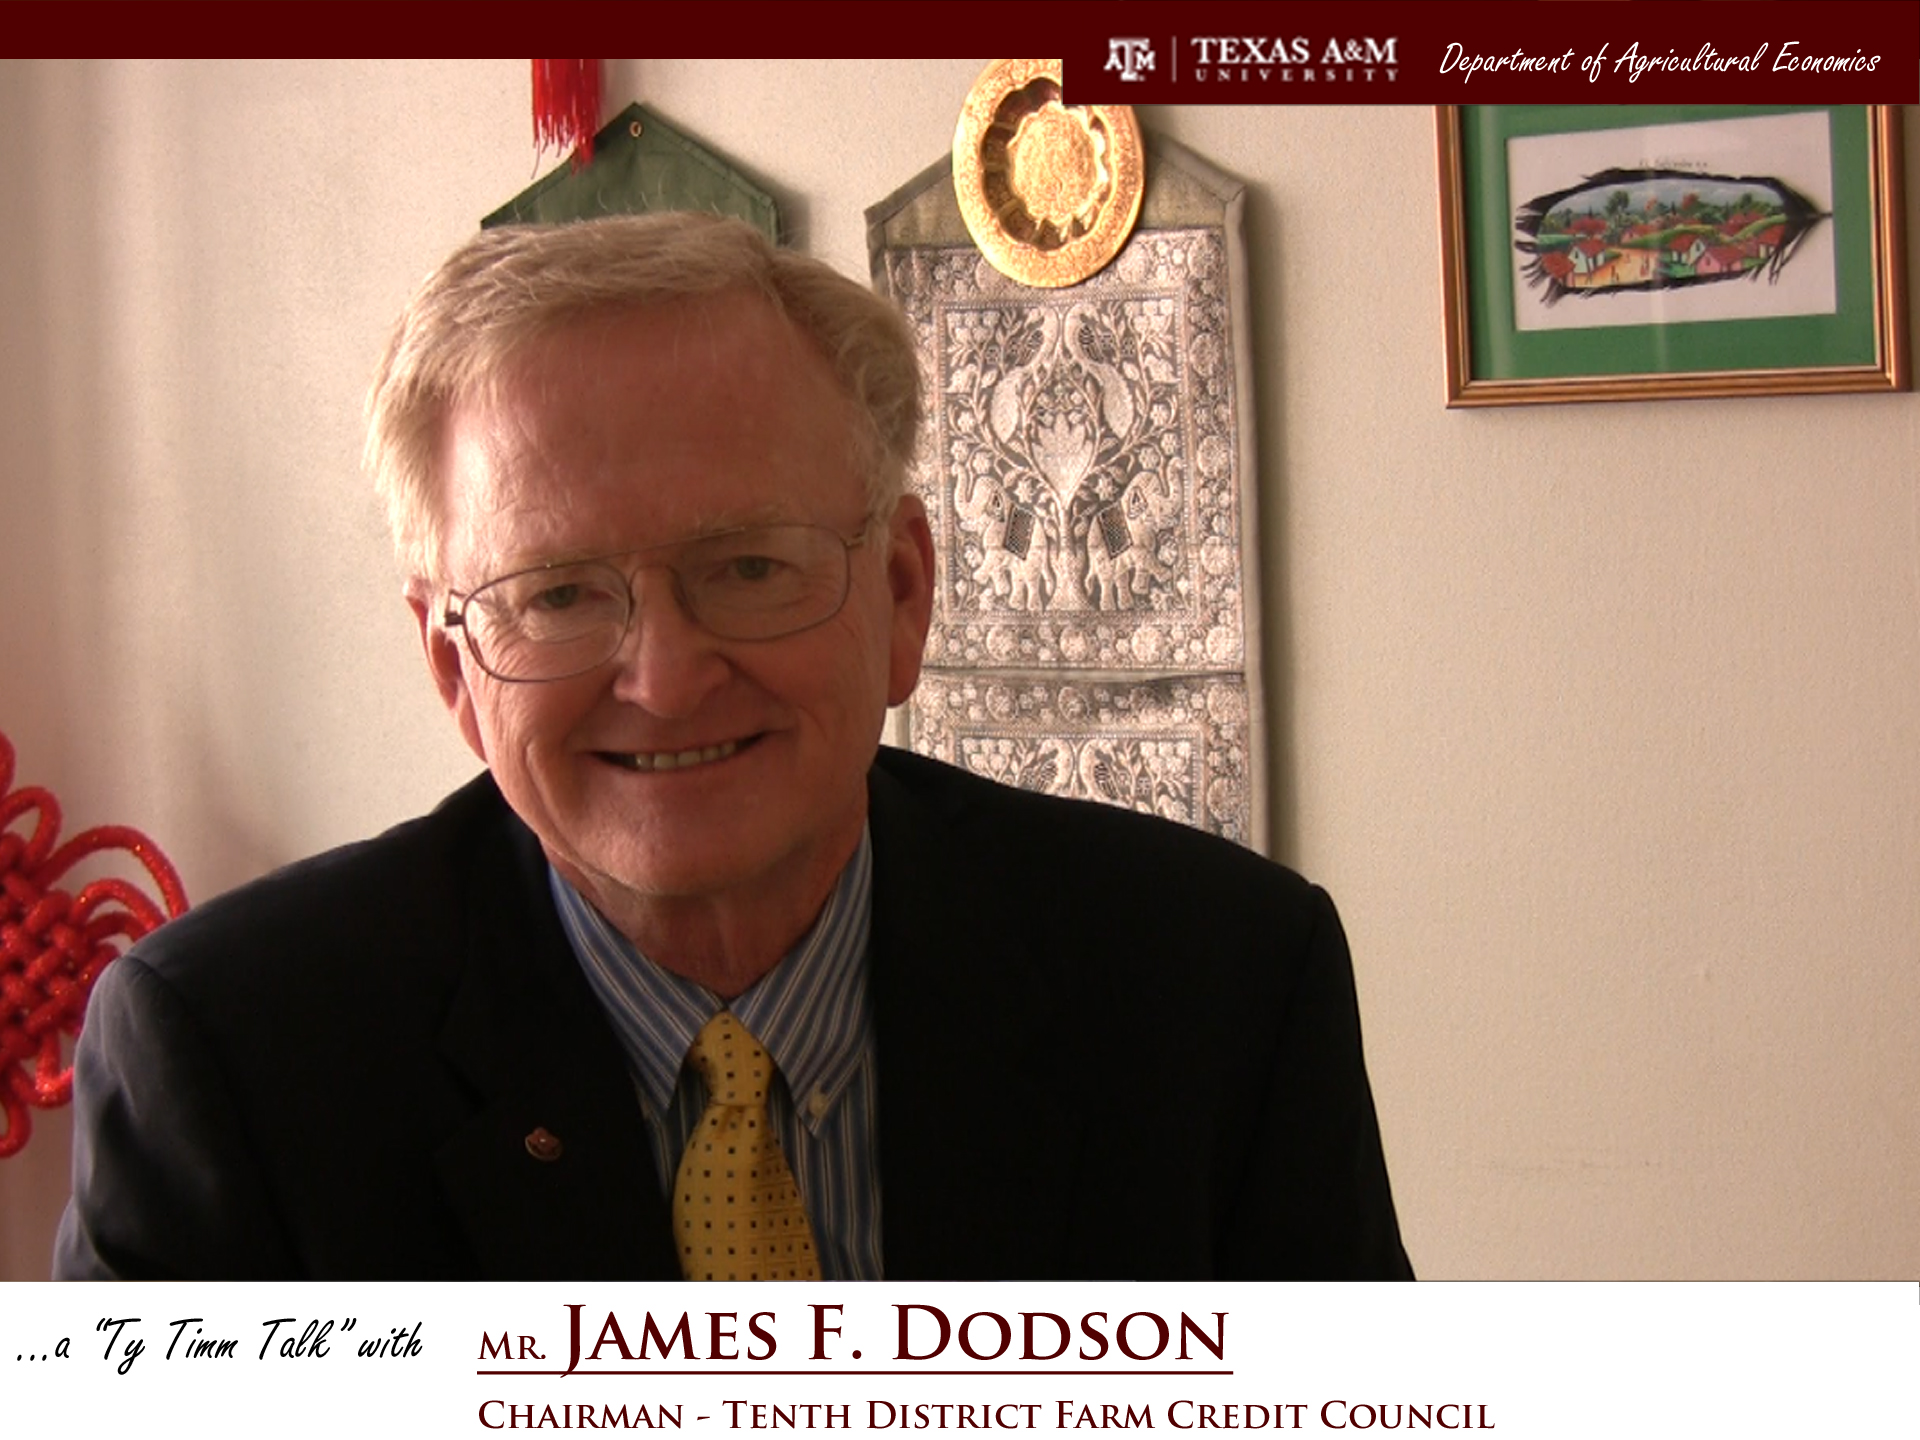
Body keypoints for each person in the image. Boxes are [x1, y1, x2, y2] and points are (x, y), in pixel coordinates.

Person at [55, 213, 1411, 1280]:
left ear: (899, 595)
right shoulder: (233, 1061)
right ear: (453, 668)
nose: (664, 677)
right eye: (561, 593)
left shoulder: (1221, 987)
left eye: (749, 566)